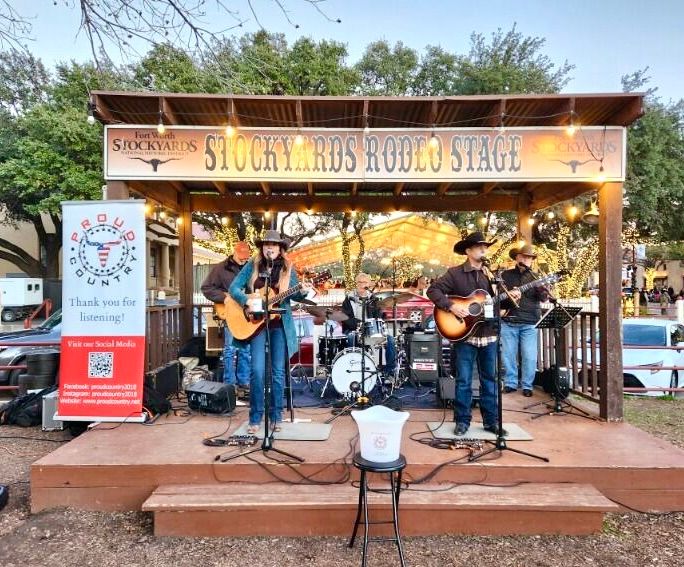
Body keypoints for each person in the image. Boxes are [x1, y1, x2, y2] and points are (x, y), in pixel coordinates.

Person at [427, 232, 520, 436]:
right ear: (468, 251)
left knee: (490, 380)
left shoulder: (493, 276)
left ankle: (491, 421)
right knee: (464, 380)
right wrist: (451, 306)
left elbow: (500, 302)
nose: (483, 250)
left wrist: (512, 297)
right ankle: (462, 421)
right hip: (464, 335)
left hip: (489, 334)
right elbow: (433, 291)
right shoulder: (455, 273)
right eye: (479, 247)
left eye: (485, 247)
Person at [229, 230, 312, 434]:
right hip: (257, 326)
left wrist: (302, 291)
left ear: (281, 248)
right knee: (257, 371)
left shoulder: (288, 268)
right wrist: (247, 301)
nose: (270, 248)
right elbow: (234, 288)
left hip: (279, 326)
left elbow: (296, 297)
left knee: (277, 373)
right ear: (262, 247)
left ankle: (276, 416)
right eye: (266, 244)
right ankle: (255, 417)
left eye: (274, 245)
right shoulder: (253, 265)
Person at [200, 241, 252, 396]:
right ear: (234, 252)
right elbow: (206, 288)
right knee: (229, 348)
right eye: (241, 257)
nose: (243, 260)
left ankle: (244, 381)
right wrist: (225, 297)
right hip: (229, 311)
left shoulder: (249, 268)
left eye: (245, 257)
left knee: (245, 348)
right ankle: (229, 383)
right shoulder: (220, 268)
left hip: (245, 312)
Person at [500, 245, 549, 397]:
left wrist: (543, 288)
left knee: (529, 355)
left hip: (529, 321)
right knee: (508, 355)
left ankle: (527, 385)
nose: (526, 260)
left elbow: (544, 298)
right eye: (524, 257)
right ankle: (510, 383)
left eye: (529, 258)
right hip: (509, 319)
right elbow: (499, 295)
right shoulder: (506, 275)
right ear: (517, 258)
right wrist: (511, 295)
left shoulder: (536, 277)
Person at [340, 272, 396, 378]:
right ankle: (352, 369)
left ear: (369, 284)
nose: (362, 285)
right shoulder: (349, 299)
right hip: (354, 329)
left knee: (390, 339)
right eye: (359, 282)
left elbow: (378, 316)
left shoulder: (373, 299)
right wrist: (359, 324)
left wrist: (379, 318)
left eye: (364, 282)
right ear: (356, 284)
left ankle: (389, 371)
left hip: (371, 330)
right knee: (351, 337)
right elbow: (345, 318)